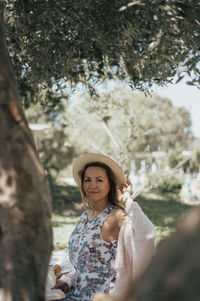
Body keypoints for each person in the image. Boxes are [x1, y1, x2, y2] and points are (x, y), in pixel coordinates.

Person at [53, 153, 156, 301]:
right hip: (74, 292)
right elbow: (85, 265)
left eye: (99, 180)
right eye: (87, 180)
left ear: (110, 184)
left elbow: (147, 235)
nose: (92, 185)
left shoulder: (116, 216)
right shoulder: (85, 216)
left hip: (101, 296)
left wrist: (128, 201)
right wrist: (67, 281)